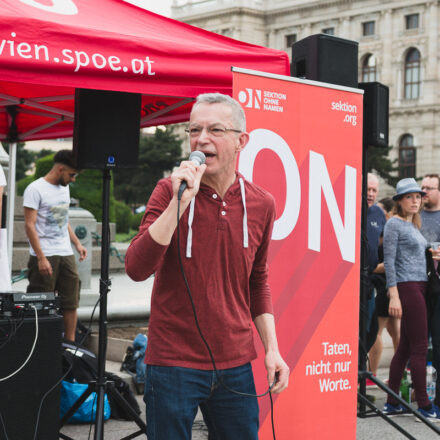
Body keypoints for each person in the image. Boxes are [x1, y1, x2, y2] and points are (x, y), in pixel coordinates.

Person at [125, 93, 289, 439]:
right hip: (172, 363)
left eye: (215, 129)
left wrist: (272, 350)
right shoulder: (167, 191)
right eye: (194, 130)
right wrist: (178, 202)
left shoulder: (262, 203)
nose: (201, 139)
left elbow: (257, 281)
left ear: (241, 141)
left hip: (236, 363)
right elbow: (137, 268)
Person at [382, 177, 440, 419]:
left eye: (418, 197)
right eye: (410, 197)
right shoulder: (394, 224)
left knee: (405, 347)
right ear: (399, 201)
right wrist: (393, 294)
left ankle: (392, 402)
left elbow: (417, 252)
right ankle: (425, 405)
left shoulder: (411, 224)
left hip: (419, 286)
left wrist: (432, 251)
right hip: (408, 287)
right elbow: (390, 261)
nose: (415, 201)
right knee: (418, 347)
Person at [23, 150, 87, 341]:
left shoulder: (64, 188)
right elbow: (29, 225)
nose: (73, 179)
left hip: (65, 252)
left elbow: (62, 218)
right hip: (44, 254)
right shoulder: (35, 189)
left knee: (71, 302)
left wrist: (76, 243)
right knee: (41, 303)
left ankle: (69, 346)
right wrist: (41, 257)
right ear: (60, 169)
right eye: (72, 174)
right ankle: (40, 348)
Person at [368, 198, 400, 384]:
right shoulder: (384, 230)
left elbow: (390, 262)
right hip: (389, 286)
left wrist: (371, 267)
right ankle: (399, 373)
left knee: (376, 332)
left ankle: (372, 374)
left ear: (388, 212)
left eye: (381, 210)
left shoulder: (388, 231)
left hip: (384, 287)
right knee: (396, 333)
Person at [363, 174, 386, 386]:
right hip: (351, 283)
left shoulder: (378, 213)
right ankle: (354, 377)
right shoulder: (352, 208)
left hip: (370, 282)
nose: (370, 193)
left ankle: (360, 376)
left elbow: (381, 243)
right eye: (367, 189)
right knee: (358, 333)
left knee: (370, 333)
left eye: (374, 190)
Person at [420, 173, 440, 407]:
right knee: (416, 342)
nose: (424, 192)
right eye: (422, 187)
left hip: (437, 287)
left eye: (429, 188)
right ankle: (418, 391)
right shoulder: (415, 215)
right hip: (419, 285)